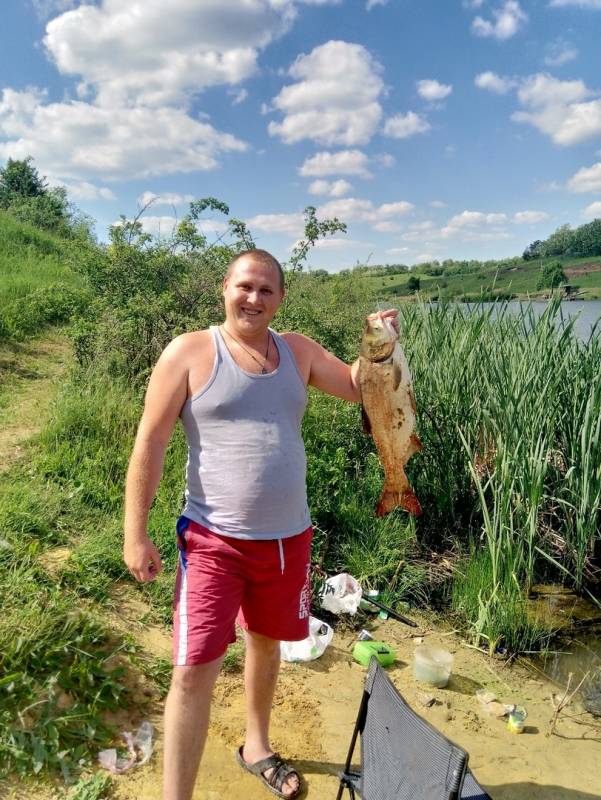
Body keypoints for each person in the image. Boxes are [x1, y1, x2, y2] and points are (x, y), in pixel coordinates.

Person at [123, 248, 398, 800]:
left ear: (280, 299)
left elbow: (358, 386)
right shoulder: (190, 352)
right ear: (225, 288)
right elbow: (149, 442)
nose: (254, 297)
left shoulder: (296, 351)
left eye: (266, 290)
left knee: (267, 645)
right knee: (193, 671)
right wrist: (136, 531)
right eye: (245, 286)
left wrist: (385, 349)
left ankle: (257, 745)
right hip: (211, 542)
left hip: (287, 542)